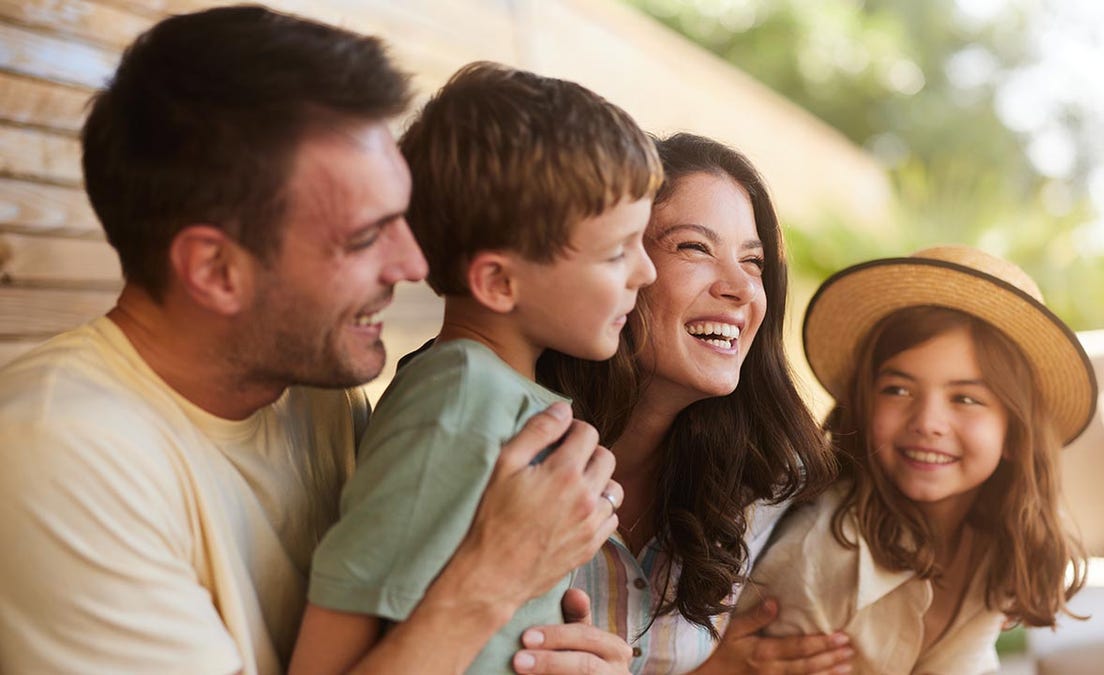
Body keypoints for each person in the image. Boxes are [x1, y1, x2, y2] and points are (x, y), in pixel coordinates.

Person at [0, 7, 628, 674]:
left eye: (403, 218)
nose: (414, 265)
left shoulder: (315, 399)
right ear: (217, 270)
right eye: (365, 236)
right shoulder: (58, 454)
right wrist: (490, 584)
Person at [290, 61, 660, 674]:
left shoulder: (498, 397)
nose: (644, 272)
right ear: (497, 281)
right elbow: (328, 653)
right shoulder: (458, 400)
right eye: (617, 251)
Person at [538, 132, 854, 674]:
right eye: (694, 247)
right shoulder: (508, 441)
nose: (741, 288)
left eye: (753, 262)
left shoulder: (764, 476)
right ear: (614, 262)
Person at [740, 245, 1094, 674]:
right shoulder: (822, 551)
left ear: (1015, 435)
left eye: (965, 398)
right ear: (864, 405)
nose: (928, 422)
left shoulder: (996, 548)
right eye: (898, 390)